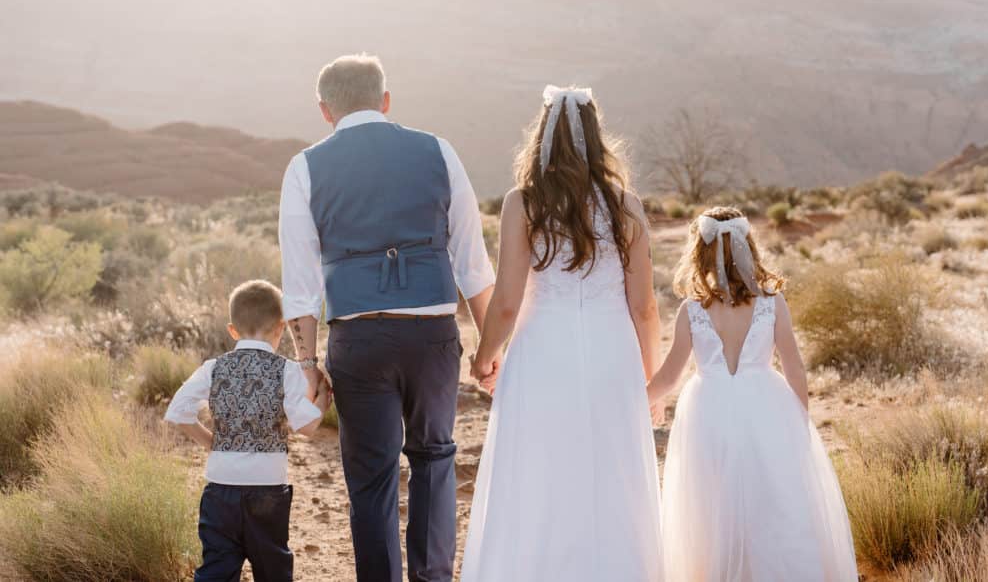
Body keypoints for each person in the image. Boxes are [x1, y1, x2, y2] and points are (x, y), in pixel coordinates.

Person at [278, 54, 495, 582]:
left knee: (371, 478)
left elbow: (301, 281)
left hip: (359, 337)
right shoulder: (437, 151)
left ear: (325, 110)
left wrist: (306, 363)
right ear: (386, 100)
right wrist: (491, 349)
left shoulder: (305, 166)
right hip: (432, 336)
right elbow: (472, 262)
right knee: (435, 458)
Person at [461, 85, 664, 581]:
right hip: (611, 352)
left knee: (538, 470)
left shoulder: (523, 203)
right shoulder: (626, 206)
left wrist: (485, 356)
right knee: (613, 472)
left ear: (543, 138)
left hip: (541, 353)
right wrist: (651, 380)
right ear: (596, 138)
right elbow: (645, 307)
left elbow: (507, 302)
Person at [647, 207, 857, 581]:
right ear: (748, 248)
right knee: (772, 502)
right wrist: (800, 423)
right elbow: (793, 366)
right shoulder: (771, 303)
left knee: (712, 506)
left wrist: (633, 400)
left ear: (701, 252)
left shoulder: (692, 310)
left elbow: (668, 377)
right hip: (766, 407)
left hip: (708, 413)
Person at [164, 279, 332, 582]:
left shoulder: (213, 368)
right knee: (272, 568)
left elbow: (178, 412)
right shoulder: (286, 370)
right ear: (281, 328)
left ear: (232, 330)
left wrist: (211, 442)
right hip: (267, 491)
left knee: (216, 568)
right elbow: (306, 426)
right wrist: (322, 400)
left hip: (220, 490)